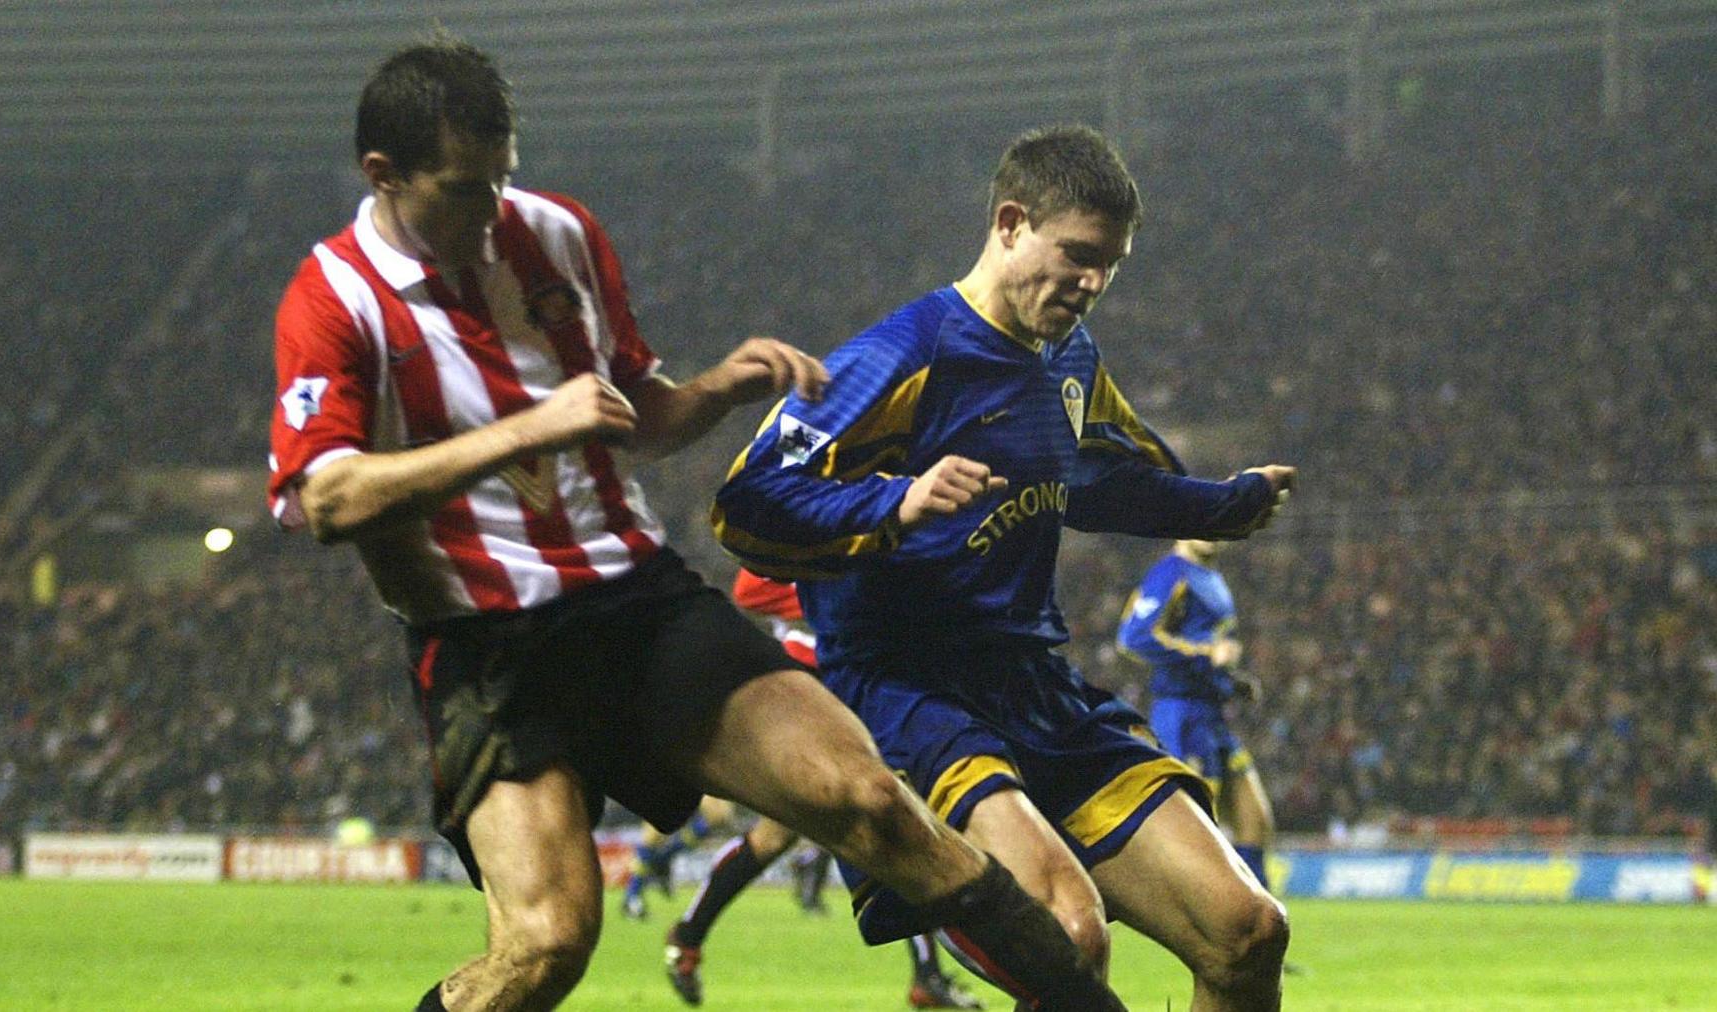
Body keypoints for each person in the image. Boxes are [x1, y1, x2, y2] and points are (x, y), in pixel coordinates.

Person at [269, 39, 1130, 1012]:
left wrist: (719, 387)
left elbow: (635, 418)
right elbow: (326, 500)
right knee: (546, 946)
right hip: (486, 646)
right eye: (466, 190)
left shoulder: (558, 234)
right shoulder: (333, 298)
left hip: (638, 603)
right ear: (383, 174)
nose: (492, 211)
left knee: (870, 800)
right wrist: (525, 430)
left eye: (503, 179)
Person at [714, 124, 1296, 1011]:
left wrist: (1223, 505)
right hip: (910, 694)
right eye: (1078, 256)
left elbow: (1100, 481)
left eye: (1110, 266)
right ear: (1012, 224)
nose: (1093, 283)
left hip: (1034, 683)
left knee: (1247, 929)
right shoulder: (901, 356)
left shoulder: (1070, 360)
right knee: (1068, 937)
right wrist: (894, 502)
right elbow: (747, 502)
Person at [663, 570, 983, 1009]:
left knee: (786, 836)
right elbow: (750, 590)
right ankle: (927, 976)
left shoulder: (873, 545)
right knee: (882, 820)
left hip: (853, 682)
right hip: (807, 686)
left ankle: (688, 936)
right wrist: (834, 598)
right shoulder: (813, 544)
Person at [1117, 540, 1277, 892]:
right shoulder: (1171, 573)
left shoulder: (1211, 577)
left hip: (1212, 714)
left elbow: (1206, 644)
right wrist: (1207, 654)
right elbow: (1132, 637)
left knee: (1255, 819)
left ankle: (1258, 912)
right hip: (1182, 714)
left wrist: (1230, 681)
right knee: (1199, 832)